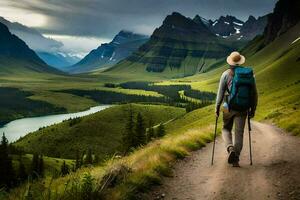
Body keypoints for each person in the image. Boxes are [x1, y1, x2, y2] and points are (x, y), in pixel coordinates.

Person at [215, 51, 258, 167]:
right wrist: (253, 109)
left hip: (226, 106)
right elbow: (254, 94)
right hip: (243, 108)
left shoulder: (225, 74)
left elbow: (220, 94)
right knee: (239, 133)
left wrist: (217, 108)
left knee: (225, 128)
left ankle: (230, 148)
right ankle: (236, 159)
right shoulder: (249, 75)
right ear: (240, 62)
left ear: (230, 62)